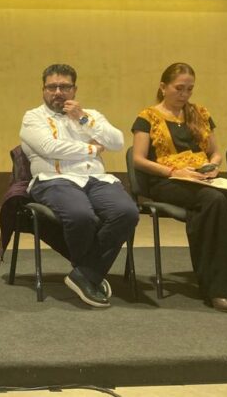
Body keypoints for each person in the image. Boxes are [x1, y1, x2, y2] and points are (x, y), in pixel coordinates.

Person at [131, 62, 227, 314]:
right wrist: (174, 172)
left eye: (189, 89)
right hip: (167, 180)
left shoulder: (200, 113)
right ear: (163, 87)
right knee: (212, 201)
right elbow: (138, 159)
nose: (184, 94)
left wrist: (213, 166)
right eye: (179, 88)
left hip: (202, 177)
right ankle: (218, 288)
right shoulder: (147, 117)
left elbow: (215, 152)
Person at [20, 64, 139, 308]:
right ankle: (91, 274)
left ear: (74, 89)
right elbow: (50, 148)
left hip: (96, 179)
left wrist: (83, 119)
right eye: (52, 87)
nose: (58, 92)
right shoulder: (33, 117)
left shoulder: (90, 115)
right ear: (43, 90)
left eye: (64, 87)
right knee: (80, 215)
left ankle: (85, 274)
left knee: (127, 212)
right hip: (54, 180)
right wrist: (92, 149)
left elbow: (117, 142)